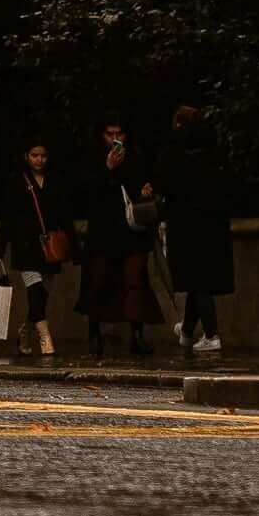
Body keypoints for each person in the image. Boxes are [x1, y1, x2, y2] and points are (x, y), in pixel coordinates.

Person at [162, 101, 237, 358]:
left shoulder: (177, 154)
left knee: (197, 279)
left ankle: (211, 334)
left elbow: (169, 189)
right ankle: (186, 332)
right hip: (212, 225)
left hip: (187, 225)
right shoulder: (213, 154)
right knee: (199, 279)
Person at [76, 121, 155, 357]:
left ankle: (137, 335)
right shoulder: (93, 159)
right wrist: (107, 168)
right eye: (109, 134)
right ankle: (94, 333)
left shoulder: (136, 157)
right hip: (103, 231)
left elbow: (140, 187)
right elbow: (86, 192)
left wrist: (144, 192)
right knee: (97, 282)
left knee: (135, 281)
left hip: (131, 231)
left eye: (119, 133)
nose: (114, 138)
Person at [2, 135, 68, 363]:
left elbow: (63, 214)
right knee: (35, 291)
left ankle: (25, 333)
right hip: (26, 247)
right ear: (27, 157)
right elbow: (8, 216)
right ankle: (45, 337)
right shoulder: (17, 181)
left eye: (43, 156)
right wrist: (1, 245)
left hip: (49, 247)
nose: (39, 160)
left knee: (40, 295)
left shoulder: (55, 180)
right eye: (34, 155)